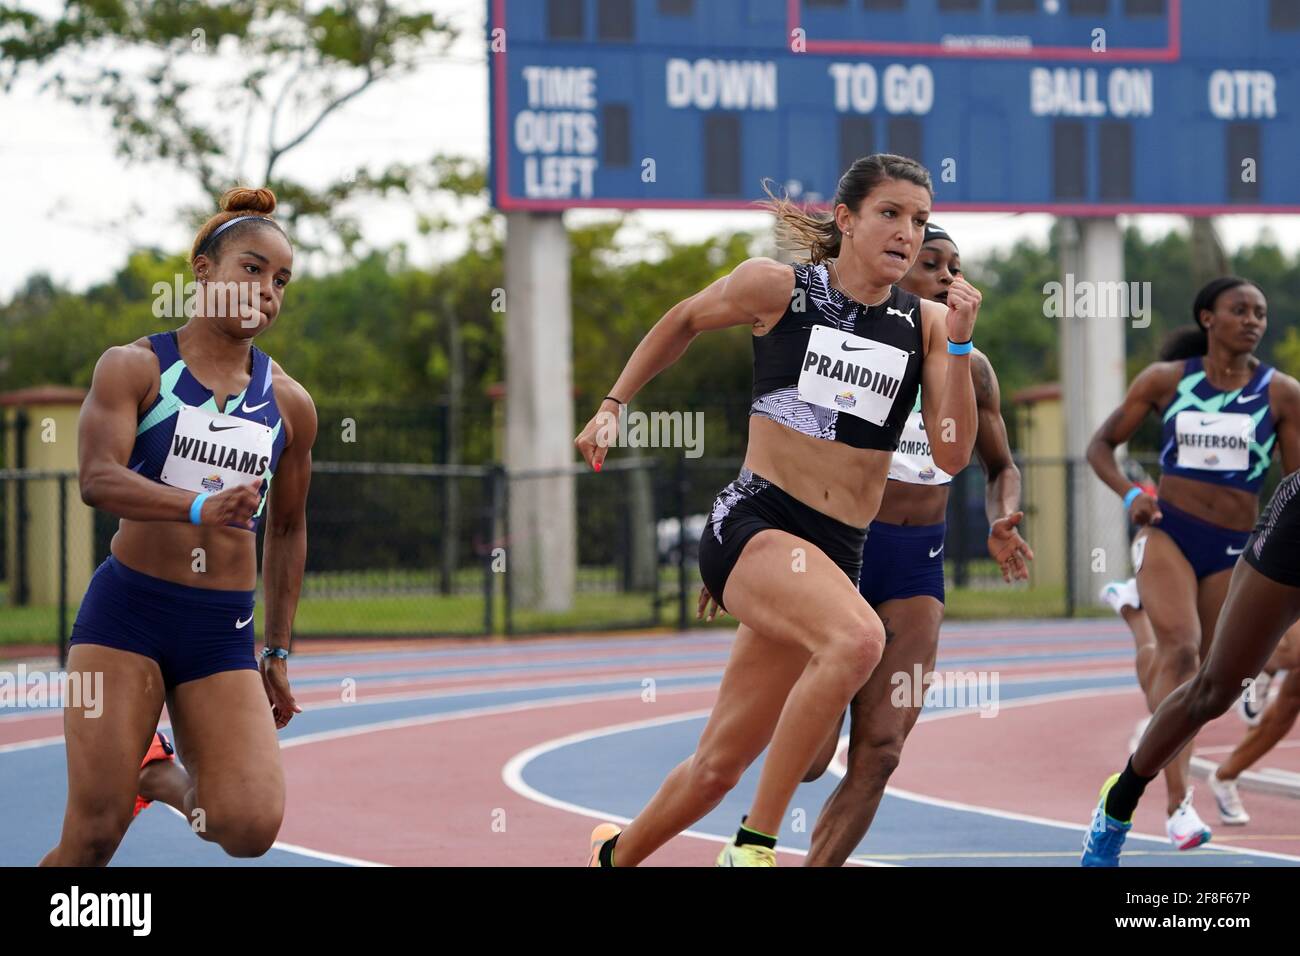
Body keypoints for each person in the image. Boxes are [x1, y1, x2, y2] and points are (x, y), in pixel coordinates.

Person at [574, 154, 981, 866]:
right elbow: (684, 320)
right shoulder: (778, 288)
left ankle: (613, 858)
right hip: (756, 522)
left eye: (918, 220)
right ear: (846, 219)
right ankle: (755, 847)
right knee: (858, 642)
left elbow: (950, 455)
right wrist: (613, 405)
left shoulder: (927, 326)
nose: (908, 234)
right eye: (890, 214)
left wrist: (962, 346)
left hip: (836, 552)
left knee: (716, 766)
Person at [40, 187, 318, 866]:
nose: (267, 290)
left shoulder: (289, 405)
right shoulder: (135, 367)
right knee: (94, 835)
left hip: (220, 630)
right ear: (204, 272)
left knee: (247, 826)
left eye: (280, 280)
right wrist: (196, 505)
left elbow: (285, 531)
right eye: (252, 269)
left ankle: (159, 775)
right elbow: (97, 479)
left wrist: (276, 651)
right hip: (127, 615)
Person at [778, 223, 1033, 867]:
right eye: (932, 263)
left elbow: (1001, 466)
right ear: (895, 272)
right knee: (810, 763)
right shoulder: (851, 347)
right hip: (840, 554)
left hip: (918, 567)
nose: (949, 276)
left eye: (956, 265)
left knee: (883, 749)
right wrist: (745, 542)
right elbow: (785, 446)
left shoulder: (972, 369)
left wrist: (1006, 516)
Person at [1081, 278, 1300, 866]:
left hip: (1236, 546)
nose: (1252, 321)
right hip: (1172, 532)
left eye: (1259, 312)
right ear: (1208, 317)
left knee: (1214, 680)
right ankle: (1172, 803)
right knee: (1182, 654)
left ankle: (1132, 614)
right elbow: (1101, 446)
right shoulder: (1166, 382)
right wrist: (1131, 496)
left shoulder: (1281, 395)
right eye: (1239, 310)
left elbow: (1296, 481)